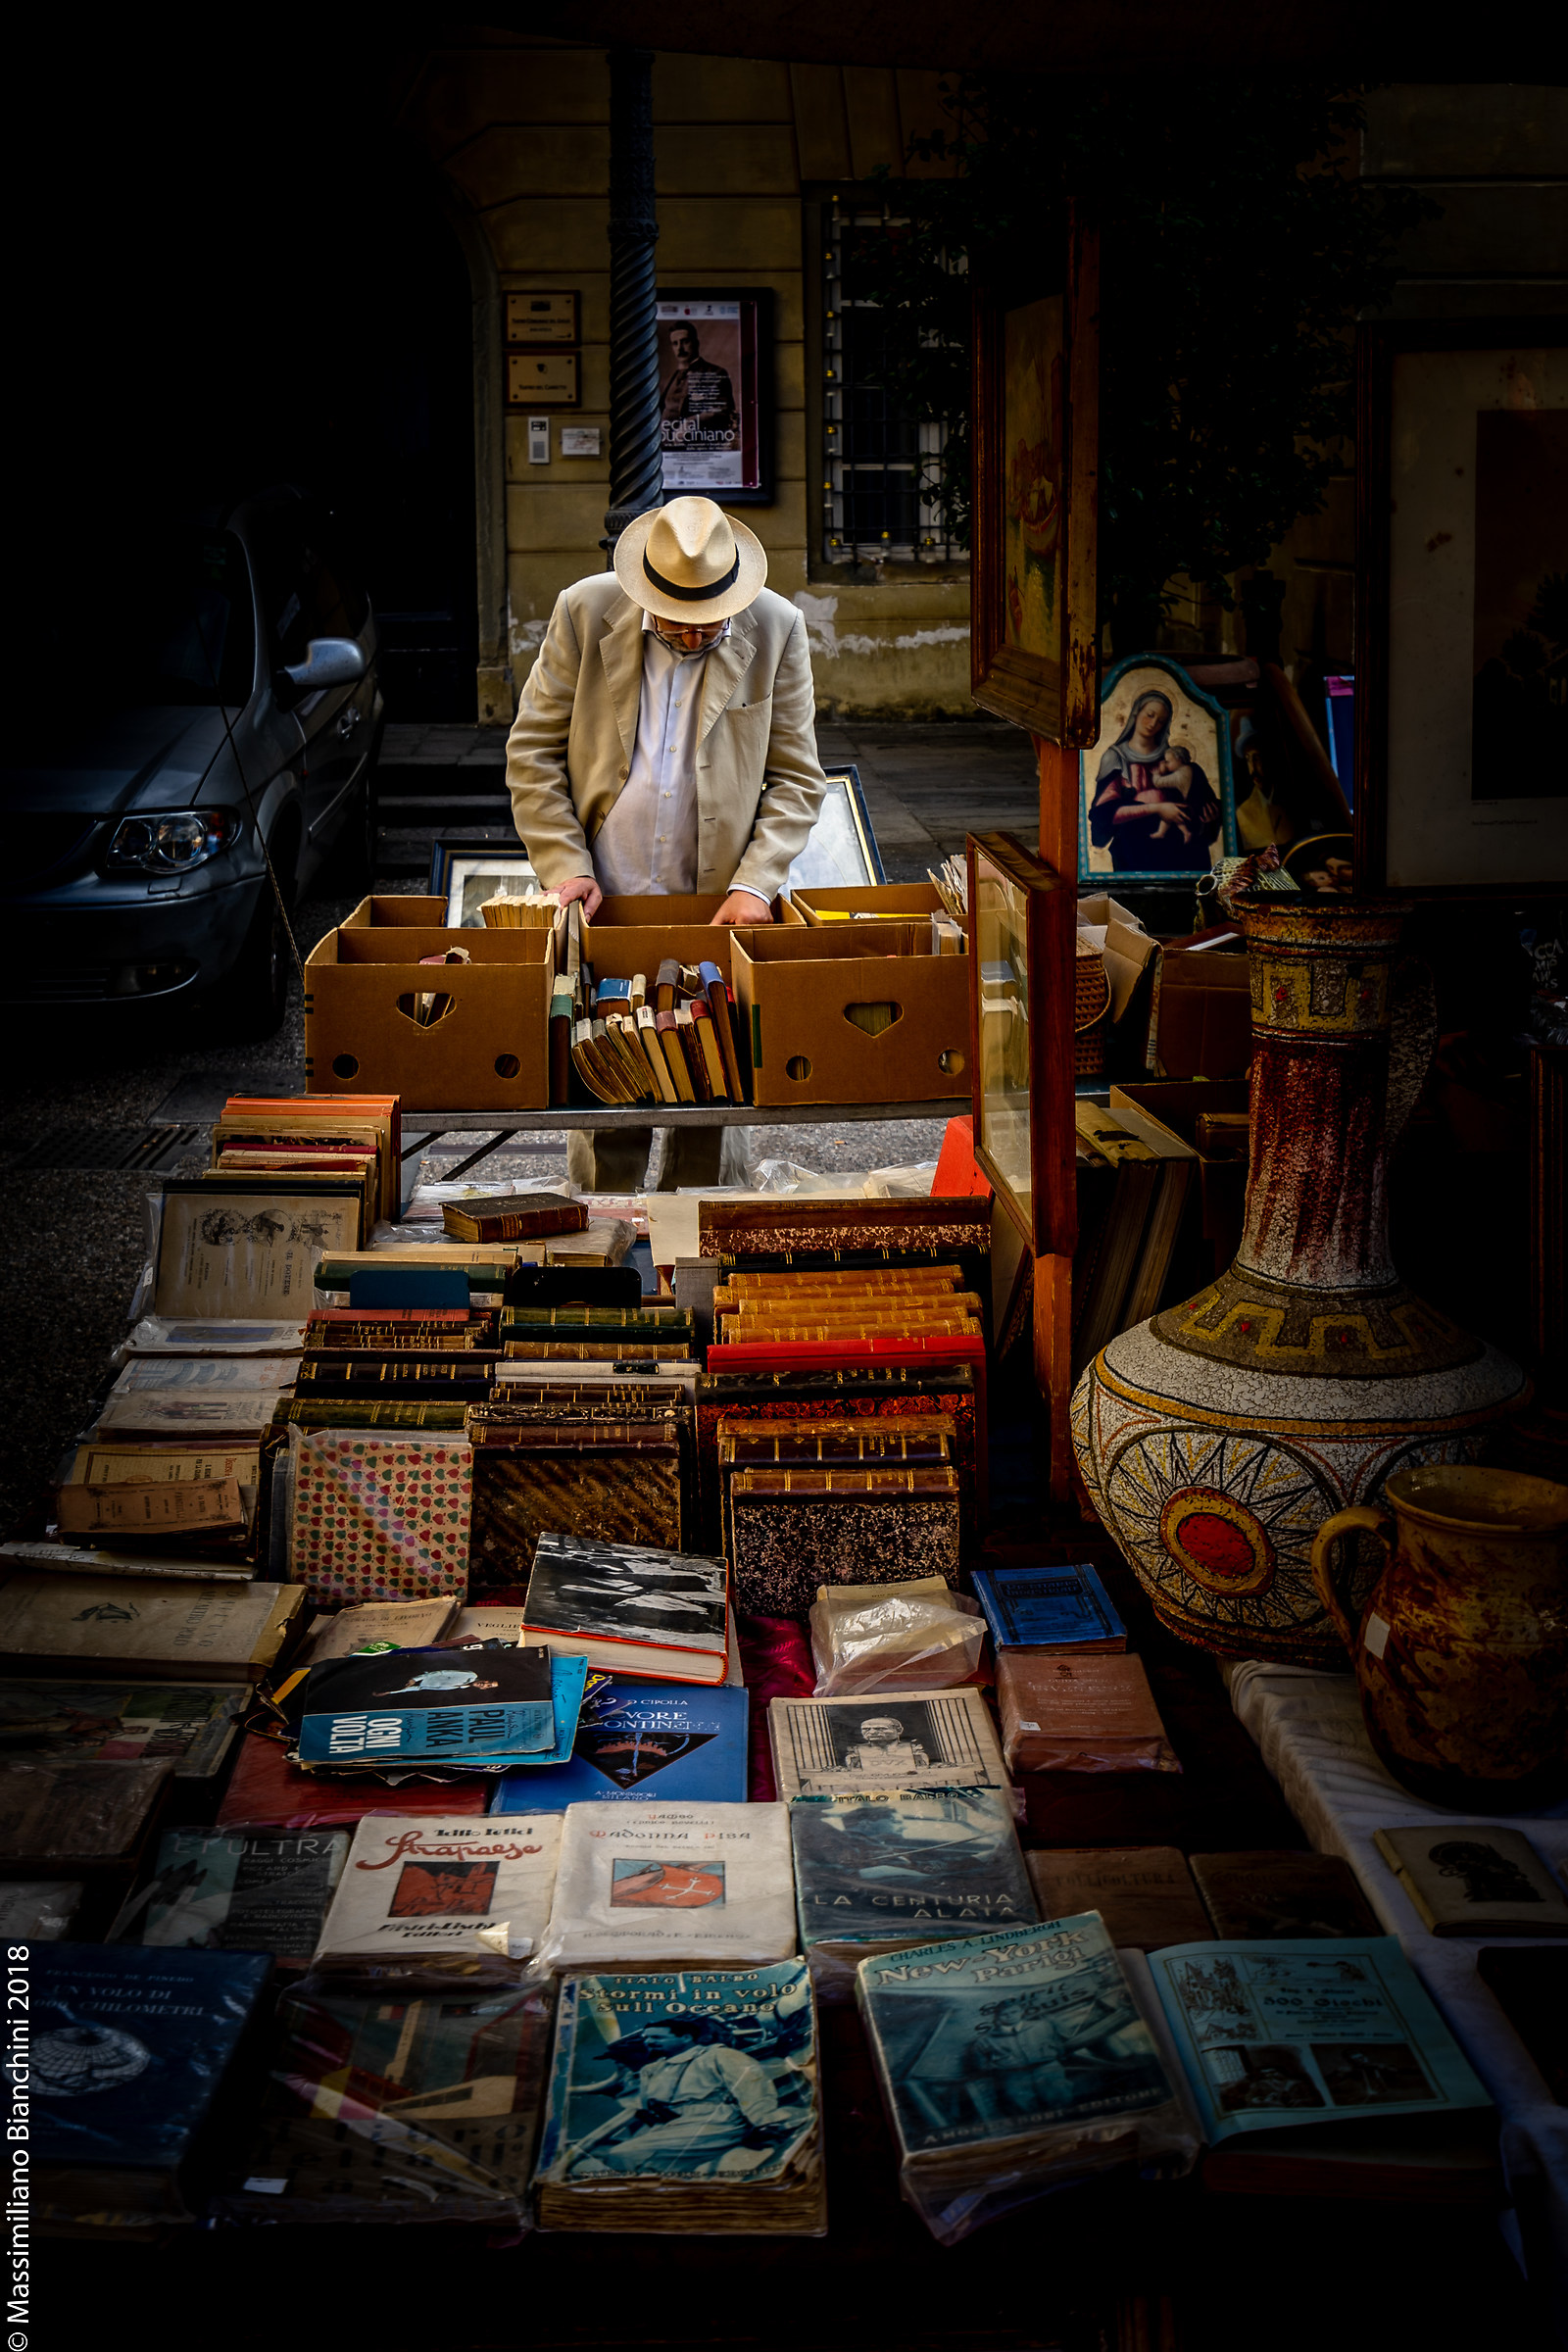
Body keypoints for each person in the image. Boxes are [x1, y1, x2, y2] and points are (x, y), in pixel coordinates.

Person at [506, 495, 829, 1193]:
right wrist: (564, 867)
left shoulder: (777, 628)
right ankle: (603, 1265)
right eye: (675, 624)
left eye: (706, 624)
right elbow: (533, 754)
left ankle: (698, 1273)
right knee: (604, 1098)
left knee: (710, 1102)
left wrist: (756, 884)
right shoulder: (583, 613)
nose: (690, 638)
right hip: (606, 899)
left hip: (717, 906)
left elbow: (798, 780)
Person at [1089, 690, 1221, 873]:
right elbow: (1103, 814)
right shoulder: (1115, 758)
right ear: (1136, 712)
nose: (1153, 724)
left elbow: (1199, 804)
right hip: (1135, 854)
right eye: (1149, 715)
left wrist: (1208, 817)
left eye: (1160, 721)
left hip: (1182, 855)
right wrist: (1157, 808)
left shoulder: (1173, 760)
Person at [660, 319, 737, 447]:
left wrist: (692, 422)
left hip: (697, 446)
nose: (680, 348)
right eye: (675, 343)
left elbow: (723, 412)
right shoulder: (668, 380)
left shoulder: (716, 373)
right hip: (666, 448)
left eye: (685, 341)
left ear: (696, 343)